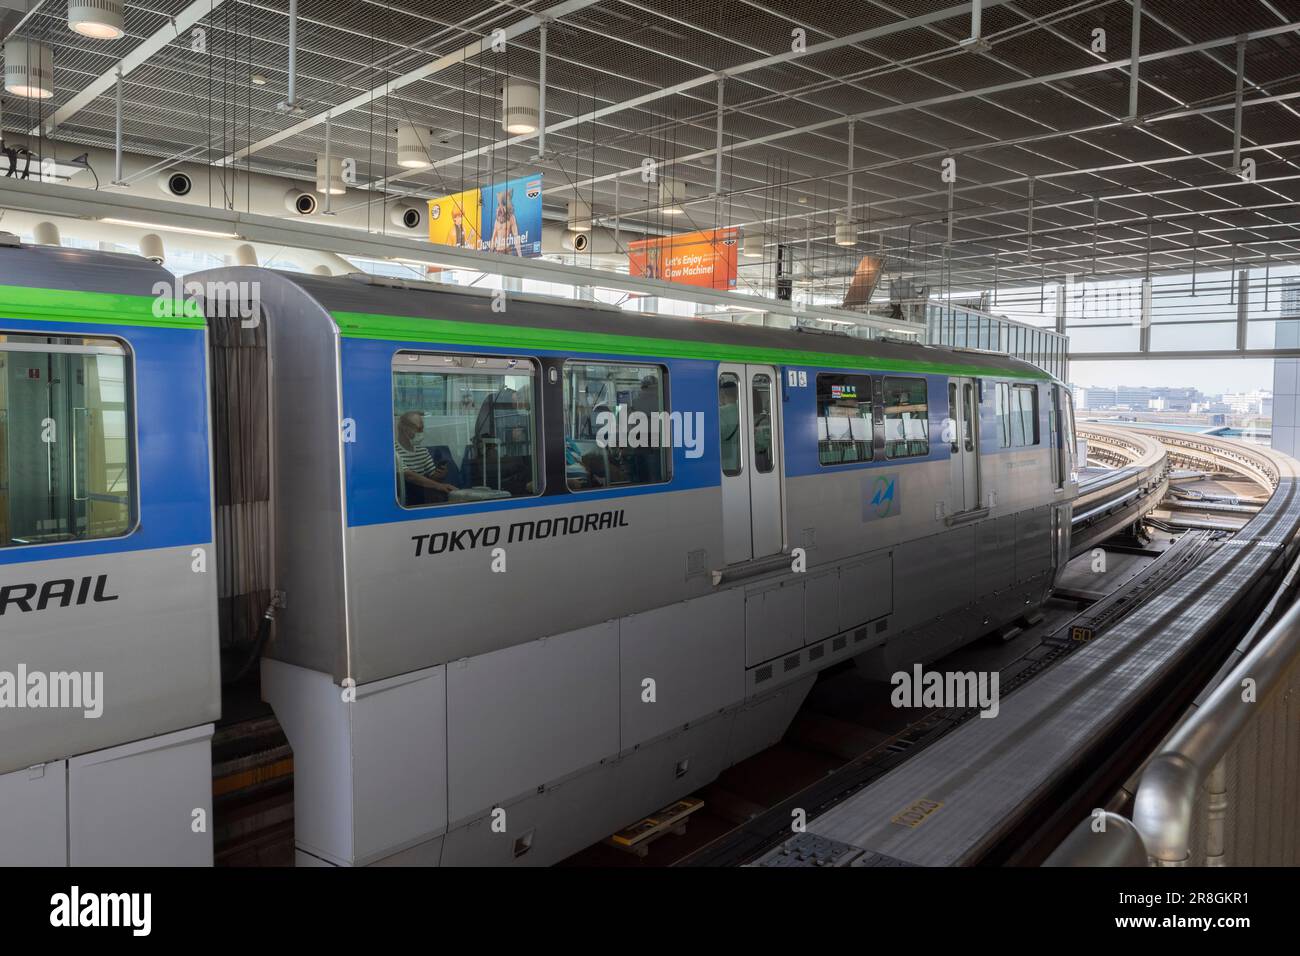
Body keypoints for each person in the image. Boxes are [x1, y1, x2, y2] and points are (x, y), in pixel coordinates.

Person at [395, 411, 457, 505]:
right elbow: (408, 475)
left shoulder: (422, 451)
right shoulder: (393, 451)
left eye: (422, 429)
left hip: (422, 499)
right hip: (403, 502)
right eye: (418, 429)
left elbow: (432, 477)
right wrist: (439, 486)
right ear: (404, 429)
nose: (421, 433)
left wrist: (440, 474)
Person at [487, 188, 524, 256]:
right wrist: (490, 251)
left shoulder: (511, 218)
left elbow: (516, 236)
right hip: (497, 250)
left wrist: (520, 255)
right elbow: (493, 238)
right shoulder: (497, 220)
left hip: (506, 249)